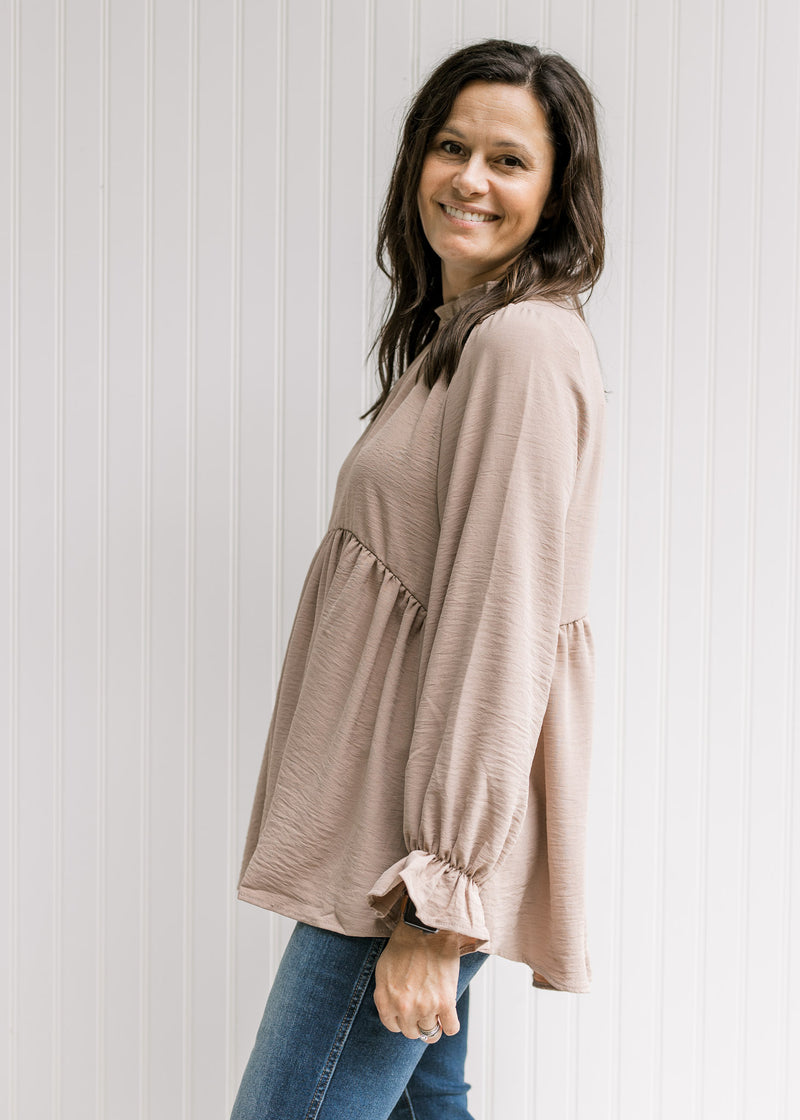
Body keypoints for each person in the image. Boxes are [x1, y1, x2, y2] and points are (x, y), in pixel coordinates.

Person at [230, 37, 607, 1120]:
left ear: (555, 192)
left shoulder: (520, 350)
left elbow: (503, 626)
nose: (470, 180)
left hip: (398, 865)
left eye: (507, 160)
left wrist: (433, 906)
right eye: (451, 146)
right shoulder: (458, 339)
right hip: (388, 840)